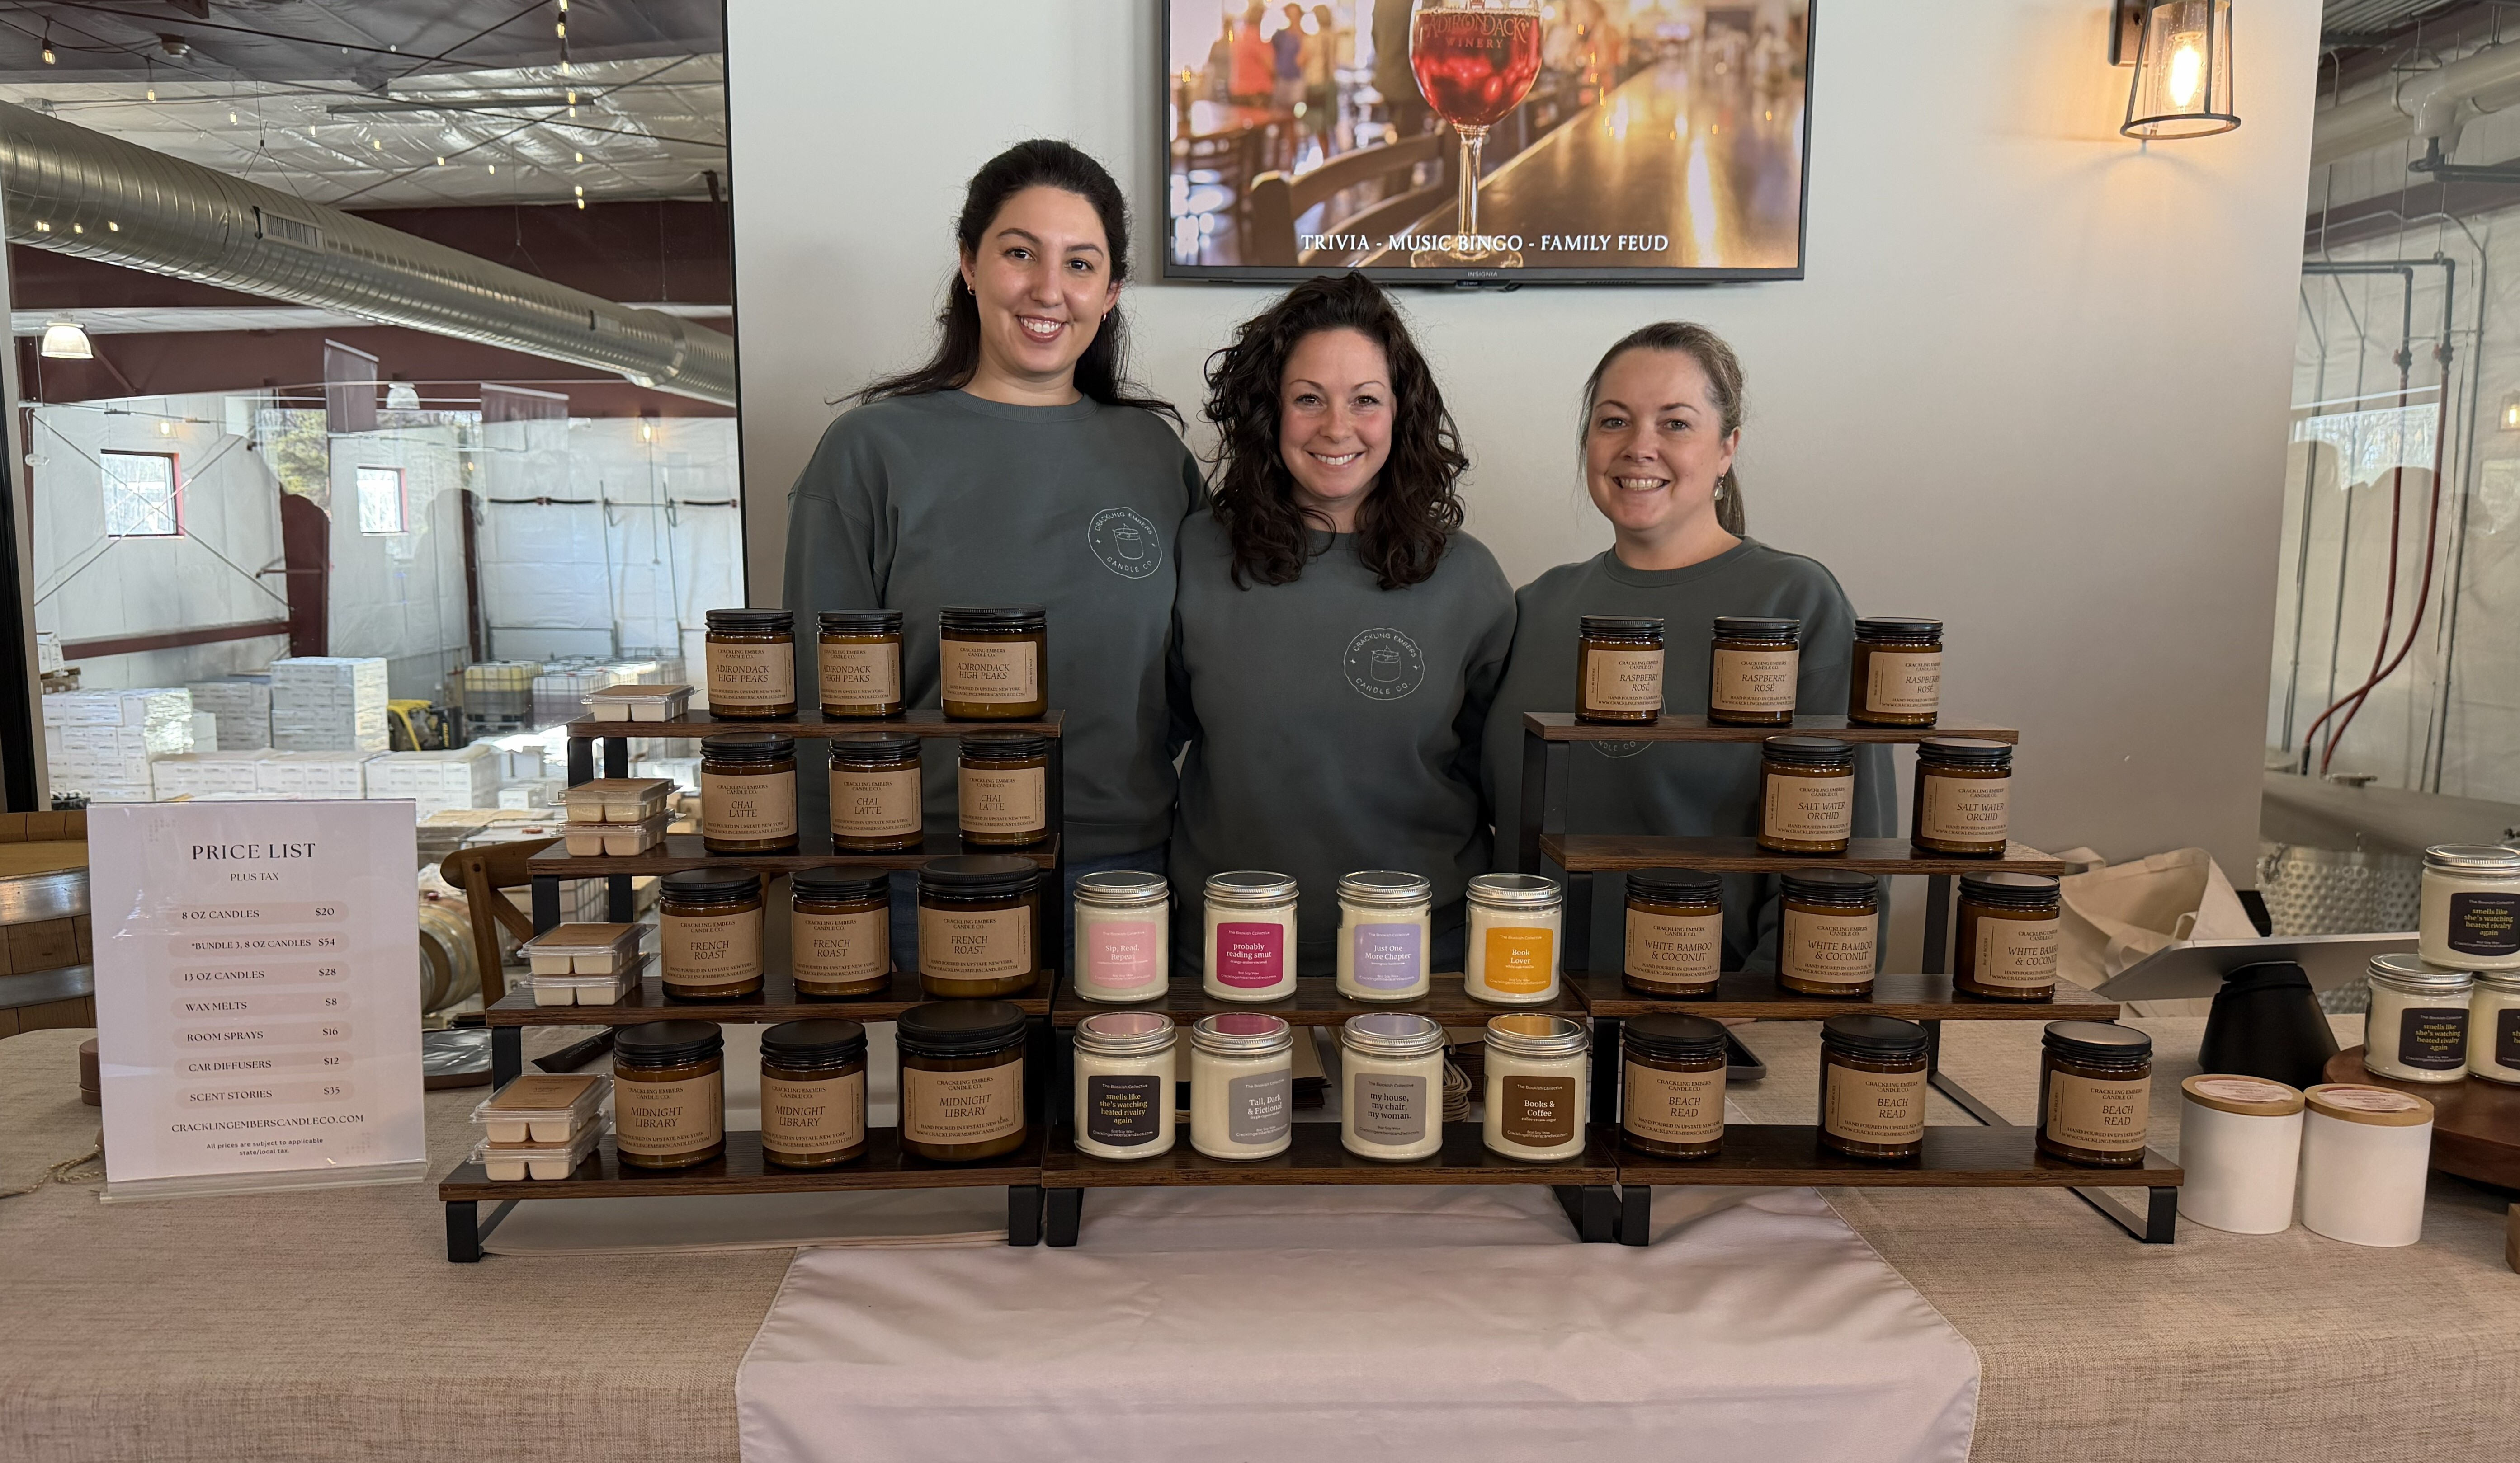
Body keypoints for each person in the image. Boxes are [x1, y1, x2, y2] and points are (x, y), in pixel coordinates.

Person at [783, 140, 1202, 965]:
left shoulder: (1157, 459)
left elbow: (1197, 673)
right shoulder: (869, 452)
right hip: (924, 877)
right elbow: (812, 691)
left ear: (1111, 292)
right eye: (1020, 253)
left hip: (1123, 875)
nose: (1049, 289)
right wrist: (831, 887)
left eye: (1079, 264)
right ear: (970, 264)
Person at [1478, 322, 1894, 971]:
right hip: (1524, 994)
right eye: (1614, 421)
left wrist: (1762, 1001)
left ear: (1727, 449)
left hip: (1704, 1008)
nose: (1638, 447)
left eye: (1675, 424)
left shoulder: (1791, 603)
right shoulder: (1536, 606)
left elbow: (1847, 847)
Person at [1170, 273, 1515, 974]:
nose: (1336, 426)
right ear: (1269, 411)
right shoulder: (1197, 556)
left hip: (1424, 955)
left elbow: (1501, 782)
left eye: (1365, 399)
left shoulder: (1467, 578)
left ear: (1400, 413)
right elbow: (1149, 737)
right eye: (1308, 399)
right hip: (1228, 947)